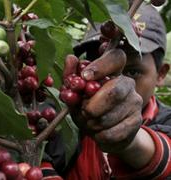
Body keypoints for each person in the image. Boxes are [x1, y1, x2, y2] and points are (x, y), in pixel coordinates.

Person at [41, 2, 171, 179]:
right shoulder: (60, 118)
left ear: (161, 74)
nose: (114, 84)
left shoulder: (167, 120)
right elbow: (36, 158)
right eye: (98, 67)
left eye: (133, 72)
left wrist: (129, 141)